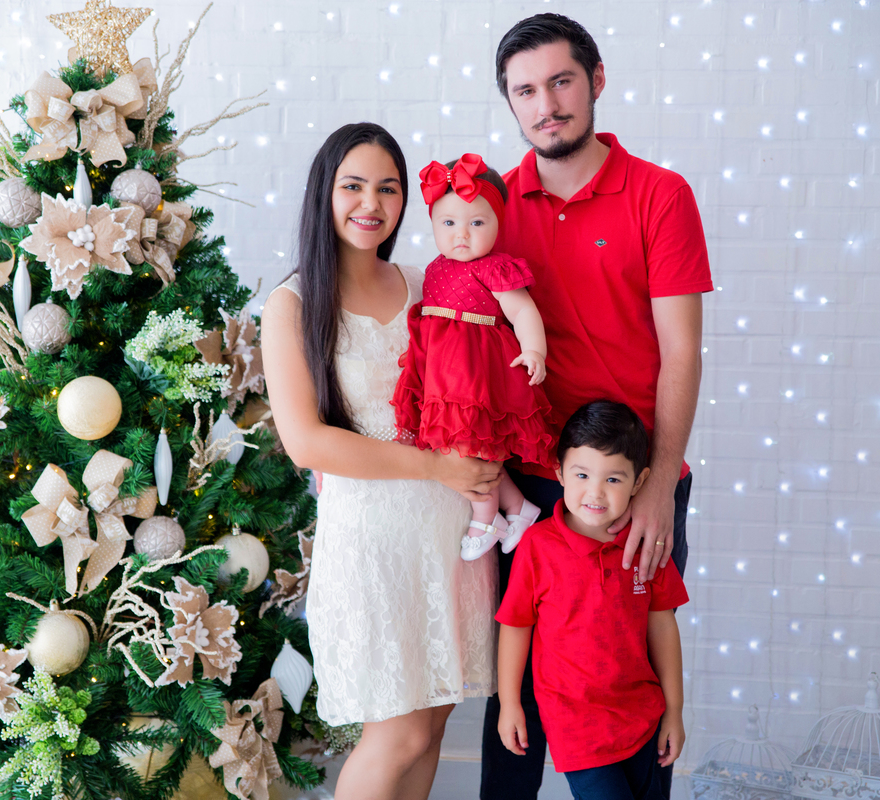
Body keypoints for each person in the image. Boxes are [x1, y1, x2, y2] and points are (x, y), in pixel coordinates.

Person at [480, 13, 713, 800]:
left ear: (597, 80)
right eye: (525, 91)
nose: (545, 103)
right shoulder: (493, 208)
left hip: (637, 478)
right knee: (518, 680)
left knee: (633, 666)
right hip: (532, 481)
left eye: (561, 81)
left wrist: (656, 483)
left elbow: (681, 349)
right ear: (510, 103)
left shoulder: (661, 195)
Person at [262, 122, 500, 800]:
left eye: (389, 188)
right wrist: (436, 468)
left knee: (430, 728)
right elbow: (305, 441)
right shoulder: (295, 302)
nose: (372, 203)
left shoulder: (430, 282)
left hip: (451, 536)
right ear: (325, 194)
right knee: (393, 734)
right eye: (354, 186)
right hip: (373, 543)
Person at [496, 400, 687, 800]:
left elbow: (663, 625)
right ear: (559, 472)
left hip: (642, 718)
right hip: (576, 726)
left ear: (639, 482)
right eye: (581, 474)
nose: (595, 492)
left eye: (614, 480)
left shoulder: (645, 545)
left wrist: (674, 710)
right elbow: (516, 626)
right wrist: (510, 703)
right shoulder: (538, 547)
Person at [392, 153, 555, 562]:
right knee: (457, 445)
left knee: (472, 446)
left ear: (498, 225)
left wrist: (535, 350)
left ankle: (486, 517)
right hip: (442, 372)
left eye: (476, 223)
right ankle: (517, 507)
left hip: (476, 371)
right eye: (448, 223)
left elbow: (522, 311)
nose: (460, 235)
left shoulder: (495, 268)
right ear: (432, 225)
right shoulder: (434, 268)